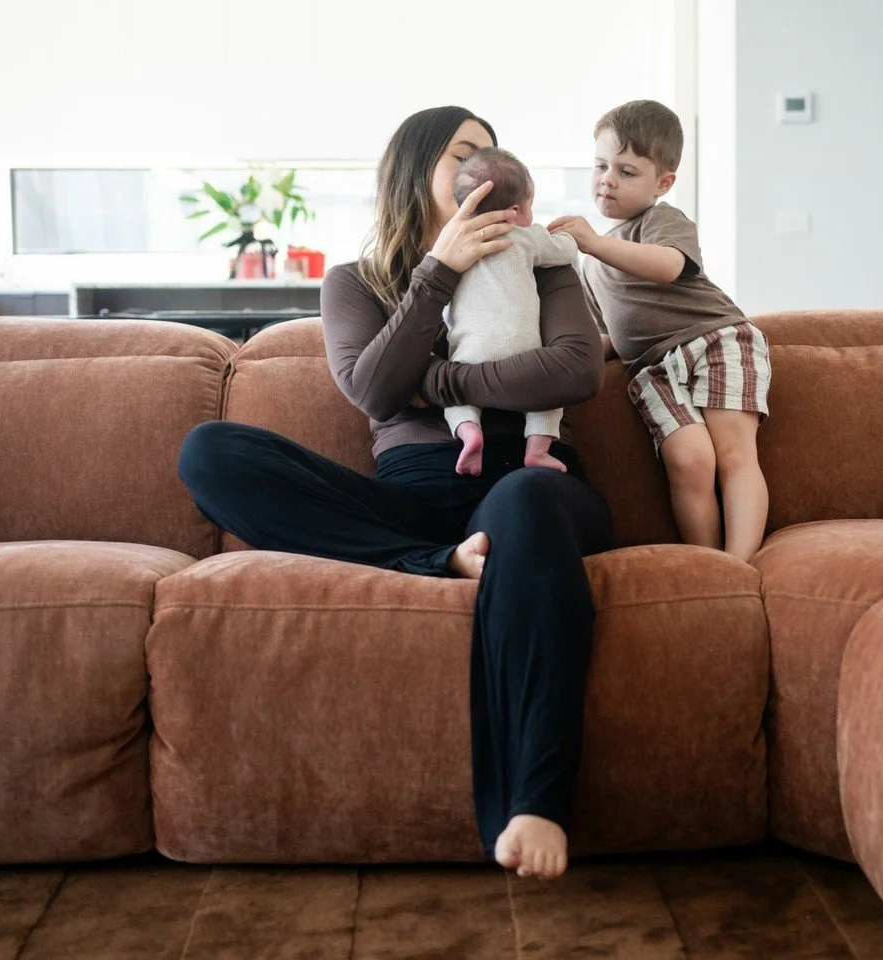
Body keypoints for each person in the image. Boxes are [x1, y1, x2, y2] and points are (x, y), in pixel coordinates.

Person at [177, 106, 612, 881]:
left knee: (526, 503)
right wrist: (436, 273)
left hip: (532, 482)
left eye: (493, 151)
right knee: (211, 452)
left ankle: (536, 801)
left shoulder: (545, 261)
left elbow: (576, 370)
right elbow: (377, 389)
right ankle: (435, 558)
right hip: (411, 496)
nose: (486, 165)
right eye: (464, 154)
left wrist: (436, 382)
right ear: (418, 174)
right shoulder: (358, 281)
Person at [550, 99, 772, 563]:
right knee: (689, 461)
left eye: (626, 171)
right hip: (652, 370)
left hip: (715, 340)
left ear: (663, 183)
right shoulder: (591, 262)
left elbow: (669, 267)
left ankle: (742, 561)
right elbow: (608, 336)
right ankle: (712, 564)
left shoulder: (660, 220)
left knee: (734, 454)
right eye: (600, 165)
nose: (607, 179)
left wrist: (594, 242)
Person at [443, 146, 579, 476]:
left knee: (455, 395)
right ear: (515, 211)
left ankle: (469, 433)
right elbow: (567, 251)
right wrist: (568, 237)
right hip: (524, 354)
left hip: (469, 352)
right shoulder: (526, 236)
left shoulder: (452, 243)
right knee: (548, 394)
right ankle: (537, 450)